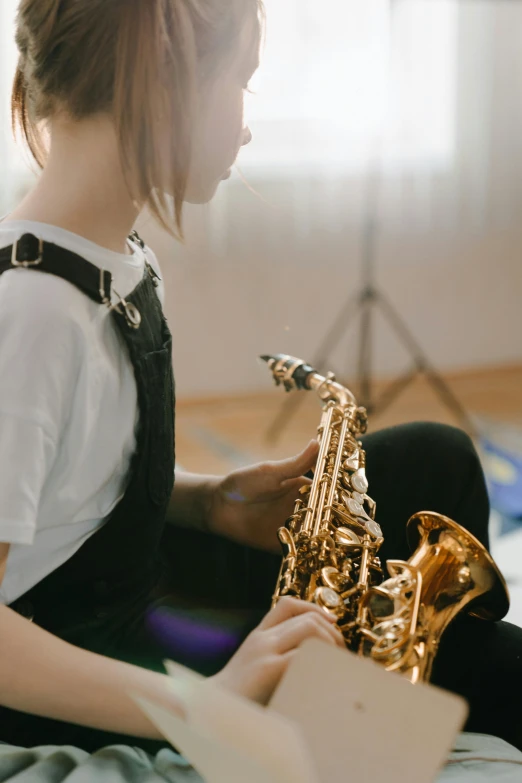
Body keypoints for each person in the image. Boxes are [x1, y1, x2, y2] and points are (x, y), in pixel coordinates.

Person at [0, 0, 521, 777]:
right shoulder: (33, 314)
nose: (246, 123)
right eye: (240, 81)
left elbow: (69, 484)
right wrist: (203, 705)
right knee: (496, 672)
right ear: (165, 80)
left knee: (437, 458)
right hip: (80, 655)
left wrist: (210, 499)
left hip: (128, 573)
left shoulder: (118, 257)